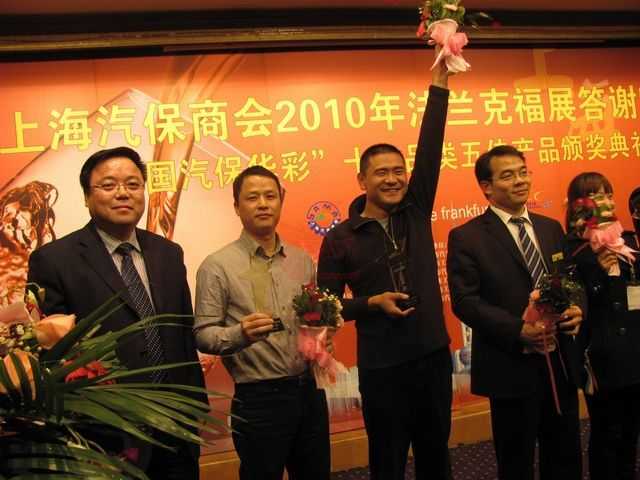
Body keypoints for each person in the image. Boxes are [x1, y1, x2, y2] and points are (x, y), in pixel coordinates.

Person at [27, 146, 205, 480]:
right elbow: (52, 353)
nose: (123, 193)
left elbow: (183, 334)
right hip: (106, 432)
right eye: (108, 185)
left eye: (133, 184)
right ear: (86, 197)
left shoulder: (168, 252)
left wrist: (195, 409)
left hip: (176, 425)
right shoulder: (53, 260)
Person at [317, 53, 451, 480]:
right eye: (381, 173)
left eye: (398, 171)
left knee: (436, 456)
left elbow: (430, 147)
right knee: (387, 461)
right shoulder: (340, 238)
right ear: (362, 180)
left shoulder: (415, 210)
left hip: (433, 356)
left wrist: (440, 82)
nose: (392, 179)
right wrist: (371, 303)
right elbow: (325, 307)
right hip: (382, 367)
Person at [446, 145, 583, 480]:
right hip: (509, 363)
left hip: (559, 361)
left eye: (523, 172)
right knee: (516, 460)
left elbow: (572, 280)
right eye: (508, 176)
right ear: (487, 187)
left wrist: (577, 307)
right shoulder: (467, 236)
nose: (520, 181)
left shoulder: (550, 228)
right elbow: (465, 301)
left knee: (565, 454)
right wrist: (518, 329)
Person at [194, 166, 329, 480]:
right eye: (252, 198)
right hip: (259, 398)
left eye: (270, 196)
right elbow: (203, 334)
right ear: (236, 206)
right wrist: (239, 333)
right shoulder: (217, 266)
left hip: (309, 391)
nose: (263, 204)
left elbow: (312, 318)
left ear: (281, 200)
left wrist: (321, 336)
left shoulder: (301, 260)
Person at [566, 172, 640, 480]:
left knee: (631, 432)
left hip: (634, 349)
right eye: (596, 195)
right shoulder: (573, 250)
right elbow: (576, 303)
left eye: (608, 194)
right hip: (600, 356)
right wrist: (600, 272)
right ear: (578, 205)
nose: (606, 201)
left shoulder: (629, 241)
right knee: (606, 432)